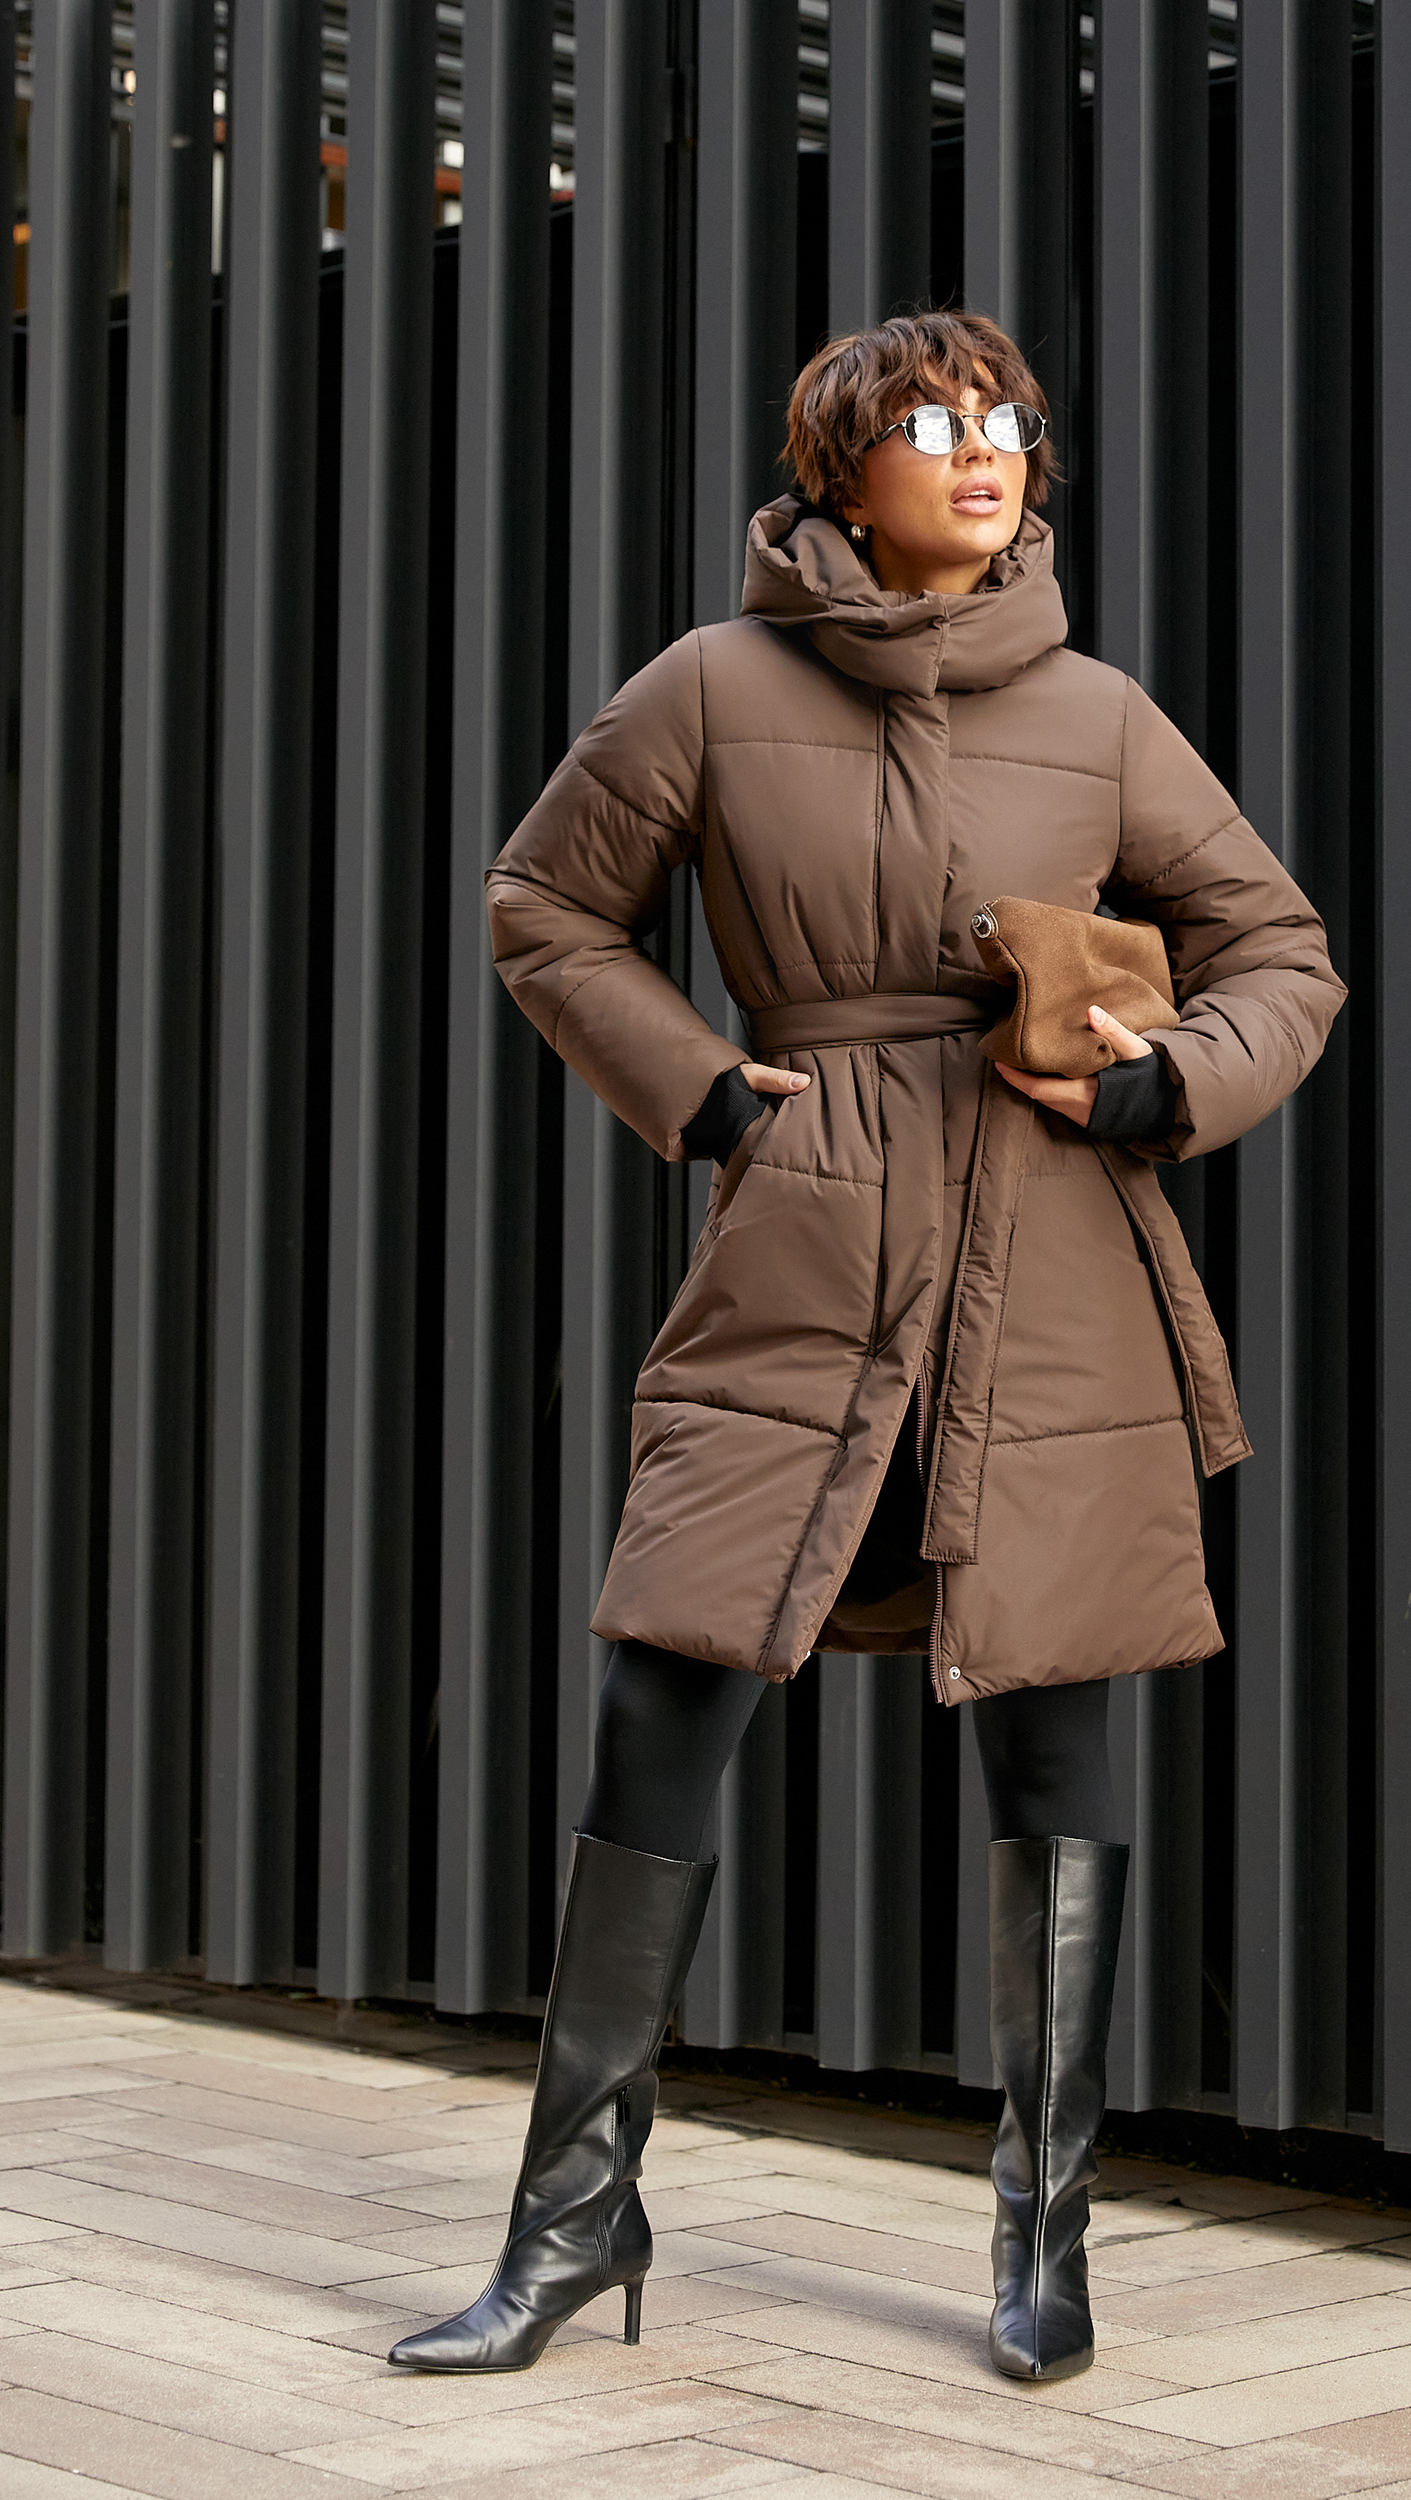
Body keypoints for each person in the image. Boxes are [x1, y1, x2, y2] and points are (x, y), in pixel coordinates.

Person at [389, 310, 1344, 2385]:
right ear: (841, 466)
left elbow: (1282, 952)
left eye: (1007, 422)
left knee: (1055, 1725)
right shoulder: (709, 688)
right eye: (933, 423)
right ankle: (573, 2222)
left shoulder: (1099, 713)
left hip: (1053, 1255)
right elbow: (547, 905)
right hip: (808, 1247)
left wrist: (1162, 1083)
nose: (984, 452)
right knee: (668, 1689)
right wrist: (711, 1098)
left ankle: (1044, 2232)